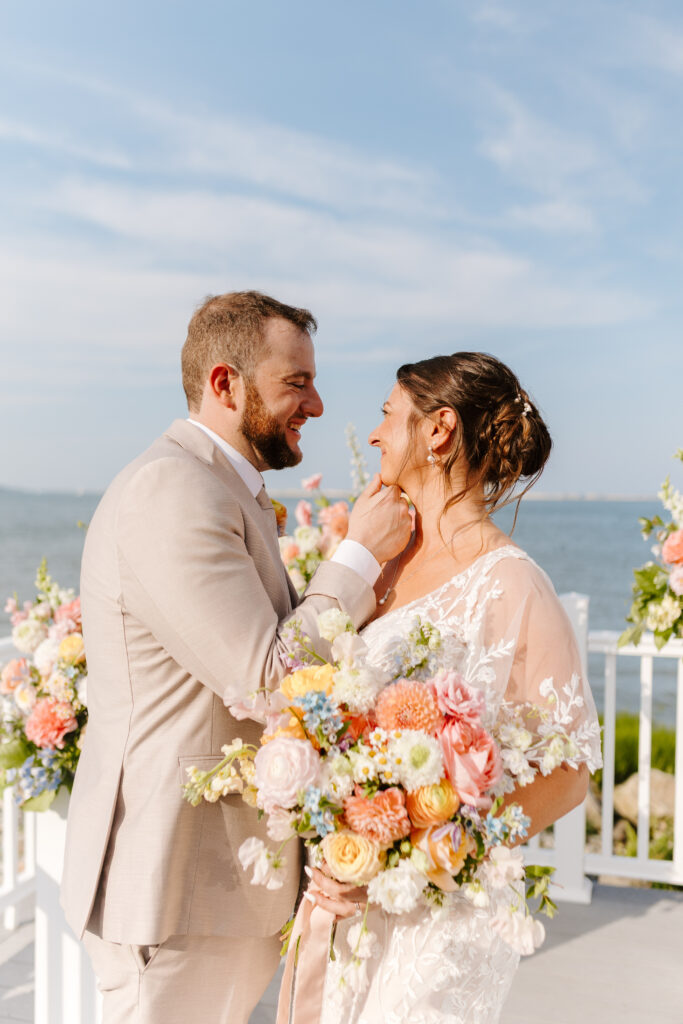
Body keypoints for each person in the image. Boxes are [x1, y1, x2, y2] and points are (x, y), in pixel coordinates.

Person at [60, 291, 412, 1024]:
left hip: (212, 887)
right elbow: (268, 678)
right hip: (173, 883)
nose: (315, 405)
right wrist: (356, 556)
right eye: (296, 383)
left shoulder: (220, 487)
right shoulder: (173, 489)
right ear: (225, 383)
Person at [308, 352, 602, 1024]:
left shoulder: (513, 584)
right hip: (348, 896)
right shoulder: (382, 565)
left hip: (439, 913)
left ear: (437, 429)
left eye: (387, 415)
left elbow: (568, 775)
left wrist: (425, 856)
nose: (375, 434)